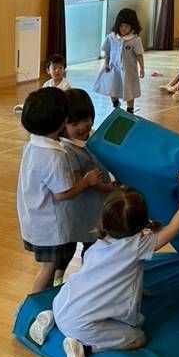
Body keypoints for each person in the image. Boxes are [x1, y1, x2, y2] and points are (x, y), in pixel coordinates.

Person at [28, 173, 179, 357]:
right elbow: (175, 227)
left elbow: (103, 278)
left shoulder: (98, 243)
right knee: (138, 338)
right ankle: (84, 348)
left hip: (60, 304)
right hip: (81, 324)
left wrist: (137, 289)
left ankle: (51, 321)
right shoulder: (137, 246)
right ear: (142, 223)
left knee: (77, 311)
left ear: (105, 222)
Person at [16, 87, 100, 293]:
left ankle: (43, 299)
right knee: (48, 269)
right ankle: (33, 304)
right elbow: (63, 193)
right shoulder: (55, 156)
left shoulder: (33, 144)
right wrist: (87, 182)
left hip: (34, 220)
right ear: (62, 122)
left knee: (50, 268)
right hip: (50, 227)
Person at [61, 89, 115, 262]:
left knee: (96, 241)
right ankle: (73, 272)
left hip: (98, 204)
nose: (82, 127)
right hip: (84, 209)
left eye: (86, 120)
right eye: (75, 124)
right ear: (63, 125)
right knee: (88, 243)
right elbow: (82, 181)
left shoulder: (91, 137)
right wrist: (108, 188)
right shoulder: (67, 149)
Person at [93, 8, 144, 113]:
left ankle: (130, 109)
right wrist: (106, 63)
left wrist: (142, 69)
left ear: (132, 26)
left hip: (129, 71)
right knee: (111, 88)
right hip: (113, 68)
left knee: (129, 90)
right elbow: (107, 51)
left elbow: (139, 55)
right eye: (121, 26)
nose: (123, 29)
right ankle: (116, 104)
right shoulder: (111, 37)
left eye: (127, 26)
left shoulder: (135, 40)